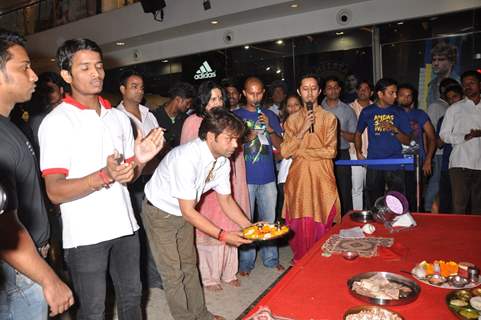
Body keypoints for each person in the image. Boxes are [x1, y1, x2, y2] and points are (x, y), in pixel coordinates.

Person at [39, 38, 164, 320]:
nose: (96, 73)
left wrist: (139, 160)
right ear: (67, 75)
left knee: (133, 299)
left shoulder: (117, 118)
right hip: (85, 235)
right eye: (85, 68)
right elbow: (55, 191)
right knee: (94, 311)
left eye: (98, 66)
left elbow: (126, 177)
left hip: (125, 227)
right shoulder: (57, 122)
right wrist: (103, 175)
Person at [143, 108, 252, 320]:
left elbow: (226, 200)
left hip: (182, 212)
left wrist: (251, 227)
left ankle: (201, 315)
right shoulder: (186, 158)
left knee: (190, 266)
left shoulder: (221, 160)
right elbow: (189, 211)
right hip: (159, 213)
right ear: (211, 137)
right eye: (230, 139)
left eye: (237, 139)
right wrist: (223, 235)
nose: (235, 145)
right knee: (173, 273)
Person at [0, 29, 73, 319]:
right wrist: (48, 279)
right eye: (24, 67)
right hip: (18, 269)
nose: (33, 76)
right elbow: (4, 227)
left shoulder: (12, 126)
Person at [180, 80, 250, 291]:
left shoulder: (229, 121)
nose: (217, 102)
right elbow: (188, 157)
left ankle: (229, 272)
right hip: (205, 186)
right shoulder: (193, 121)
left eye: (220, 98)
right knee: (209, 229)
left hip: (227, 178)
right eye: (212, 99)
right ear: (203, 101)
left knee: (231, 223)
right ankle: (209, 277)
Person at [280, 74, 341, 263]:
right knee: (298, 219)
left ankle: (318, 259)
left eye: (313, 88)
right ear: (299, 92)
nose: (309, 92)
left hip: (322, 177)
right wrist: (302, 129)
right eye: (305, 88)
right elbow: (285, 151)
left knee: (322, 217)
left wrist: (302, 151)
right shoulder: (291, 121)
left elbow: (331, 151)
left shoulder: (329, 118)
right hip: (299, 178)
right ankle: (300, 257)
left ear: (319, 91)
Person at [116, 69, 163, 289]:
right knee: (140, 231)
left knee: (156, 228)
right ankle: (148, 278)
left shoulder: (148, 113)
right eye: (134, 86)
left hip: (155, 179)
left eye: (141, 86)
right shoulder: (117, 118)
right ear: (123, 89)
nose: (139, 90)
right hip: (134, 182)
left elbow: (158, 145)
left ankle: (156, 275)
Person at [233, 77, 284, 276]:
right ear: (244, 93)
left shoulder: (270, 114)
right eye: (251, 93)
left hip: (268, 176)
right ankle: (246, 262)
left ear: (263, 93)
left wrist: (270, 129)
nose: (255, 97)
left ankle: (271, 259)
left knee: (269, 221)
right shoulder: (236, 115)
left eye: (259, 93)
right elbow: (228, 144)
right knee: (246, 221)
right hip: (244, 178)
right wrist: (247, 135)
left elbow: (281, 146)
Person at [355, 78, 411, 209]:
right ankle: (376, 227)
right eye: (391, 93)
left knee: (397, 203)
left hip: (395, 163)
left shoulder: (399, 112)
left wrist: (394, 129)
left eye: (396, 92)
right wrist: (358, 152)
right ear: (380, 94)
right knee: (374, 203)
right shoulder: (368, 111)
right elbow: (357, 133)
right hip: (374, 163)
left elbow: (407, 141)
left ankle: (397, 225)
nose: (395, 96)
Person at [440, 70, 481, 214]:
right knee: (459, 206)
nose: (468, 87)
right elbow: (444, 135)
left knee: (478, 208)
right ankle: (457, 237)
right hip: (460, 163)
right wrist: (464, 137)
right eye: (465, 85)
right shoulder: (455, 108)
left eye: (472, 83)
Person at [397, 83, 436, 211]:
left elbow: (432, 137)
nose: (406, 98)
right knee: (398, 196)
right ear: (396, 96)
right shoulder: (391, 114)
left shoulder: (419, 114)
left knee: (416, 197)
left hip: (416, 161)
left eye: (409, 96)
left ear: (413, 98)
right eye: (402, 95)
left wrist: (428, 160)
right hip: (395, 160)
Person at [321, 76, 356, 215]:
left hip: (342, 153)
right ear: (324, 91)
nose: (333, 90)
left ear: (340, 90)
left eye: (336, 87)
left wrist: (338, 132)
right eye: (329, 87)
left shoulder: (348, 110)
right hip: (322, 154)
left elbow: (354, 137)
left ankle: (346, 220)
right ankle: (327, 220)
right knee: (324, 189)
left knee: (344, 189)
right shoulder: (318, 110)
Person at [424, 77, 460, 212]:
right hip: (440, 154)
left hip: (455, 157)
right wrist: (429, 155)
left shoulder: (451, 108)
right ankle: (429, 210)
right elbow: (430, 133)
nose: (452, 99)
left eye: (455, 96)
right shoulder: (436, 107)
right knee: (436, 183)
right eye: (449, 95)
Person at [436, 83, 464, 213]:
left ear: (462, 97)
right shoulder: (444, 118)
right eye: (449, 98)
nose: (452, 101)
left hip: (467, 164)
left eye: (455, 97)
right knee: (446, 201)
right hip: (448, 163)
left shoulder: (471, 114)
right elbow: (440, 142)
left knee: (464, 201)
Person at [277, 94, 302, 221]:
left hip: (302, 174)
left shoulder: (307, 123)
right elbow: (288, 152)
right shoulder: (286, 125)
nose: (293, 109)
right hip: (287, 174)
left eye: (296, 105)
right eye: (289, 106)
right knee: (291, 215)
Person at [349, 80, 373, 210]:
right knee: (357, 187)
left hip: (374, 152)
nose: (363, 91)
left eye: (366, 88)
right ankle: (357, 214)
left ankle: (372, 214)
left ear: (371, 92)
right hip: (354, 153)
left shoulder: (376, 108)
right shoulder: (349, 108)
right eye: (360, 89)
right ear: (357, 91)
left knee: (372, 186)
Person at [153, 81, 195, 150]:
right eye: (187, 103)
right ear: (178, 99)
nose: (189, 106)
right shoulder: (154, 117)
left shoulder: (186, 119)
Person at [426, 42, 460, 107]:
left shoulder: (459, 83)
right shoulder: (431, 84)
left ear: (451, 62)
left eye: (441, 59)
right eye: (434, 60)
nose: (436, 63)